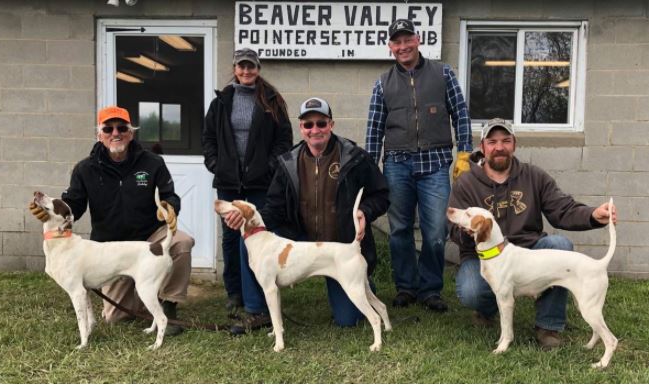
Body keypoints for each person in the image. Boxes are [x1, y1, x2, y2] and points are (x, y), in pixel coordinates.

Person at [223, 97, 389, 333]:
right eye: (308, 125)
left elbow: (381, 195)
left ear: (331, 124)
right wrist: (249, 222)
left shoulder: (355, 157)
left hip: (338, 247)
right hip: (299, 240)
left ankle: (359, 279)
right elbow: (274, 207)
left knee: (348, 319)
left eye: (321, 123)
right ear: (301, 128)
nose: (315, 130)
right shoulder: (288, 162)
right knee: (248, 240)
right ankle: (257, 311)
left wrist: (365, 211)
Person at [448, 117, 617, 349]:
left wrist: (592, 215)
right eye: (493, 141)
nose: (499, 147)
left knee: (560, 245)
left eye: (506, 140)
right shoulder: (467, 183)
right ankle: (487, 311)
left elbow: (562, 209)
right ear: (483, 146)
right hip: (483, 257)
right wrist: (468, 233)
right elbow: (451, 229)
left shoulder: (533, 176)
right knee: (470, 289)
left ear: (514, 144)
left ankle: (548, 325)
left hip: (529, 250)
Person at [56, 105, 194, 336]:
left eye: (122, 127)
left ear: (131, 132)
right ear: (99, 135)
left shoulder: (152, 163)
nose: (115, 133)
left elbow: (169, 195)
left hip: (149, 238)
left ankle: (168, 306)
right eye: (108, 129)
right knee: (116, 318)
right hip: (110, 248)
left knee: (182, 242)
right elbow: (74, 206)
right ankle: (145, 294)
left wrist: (170, 207)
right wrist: (55, 212)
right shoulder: (84, 169)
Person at [365, 19, 473, 311]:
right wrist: (370, 168)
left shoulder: (443, 73)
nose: (403, 47)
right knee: (399, 229)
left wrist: (465, 153)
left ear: (418, 39)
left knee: (436, 231)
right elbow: (374, 130)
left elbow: (461, 114)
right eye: (396, 42)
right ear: (390, 47)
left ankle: (430, 289)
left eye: (407, 40)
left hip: (435, 163)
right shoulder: (382, 83)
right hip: (397, 165)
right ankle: (406, 287)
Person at [202, 48, 292, 314]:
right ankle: (235, 293)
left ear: (258, 69)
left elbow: (284, 140)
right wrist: (216, 164)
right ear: (234, 69)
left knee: (258, 237)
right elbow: (208, 139)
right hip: (229, 183)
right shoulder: (220, 102)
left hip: (260, 183)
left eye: (251, 66)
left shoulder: (272, 100)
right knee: (231, 238)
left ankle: (261, 290)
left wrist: (269, 167)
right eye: (241, 67)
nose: (246, 71)